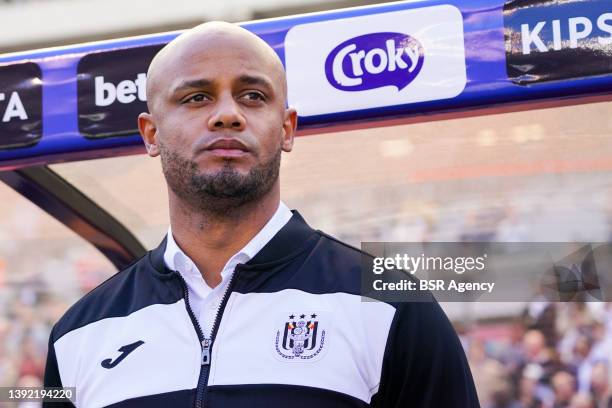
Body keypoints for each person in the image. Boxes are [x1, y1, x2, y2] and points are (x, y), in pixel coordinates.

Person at [43, 21, 479, 407]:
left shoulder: (391, 304)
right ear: (151, 133)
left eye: (253, 96)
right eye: (197, 97)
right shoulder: (78, 336)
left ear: (287, 128)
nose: (228, 115)